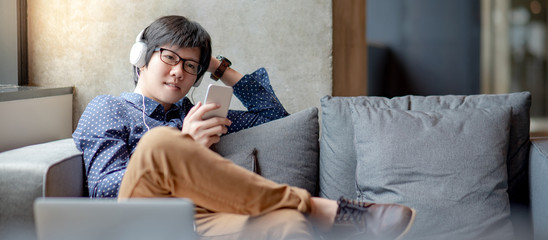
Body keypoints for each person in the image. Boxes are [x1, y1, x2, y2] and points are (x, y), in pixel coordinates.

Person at [73, 15, 415, 240]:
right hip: (143, 221)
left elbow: (274, 115)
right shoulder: (109, 107)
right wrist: (184, 142)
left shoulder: (199, 114)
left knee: (286, 224)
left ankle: (302, 212)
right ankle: (316, 206)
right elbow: (104, 188)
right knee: (161, 143)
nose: (179, 72)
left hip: (201, 222)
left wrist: (217, 67)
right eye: (169, 57)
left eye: (191, 66)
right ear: (140, 57)